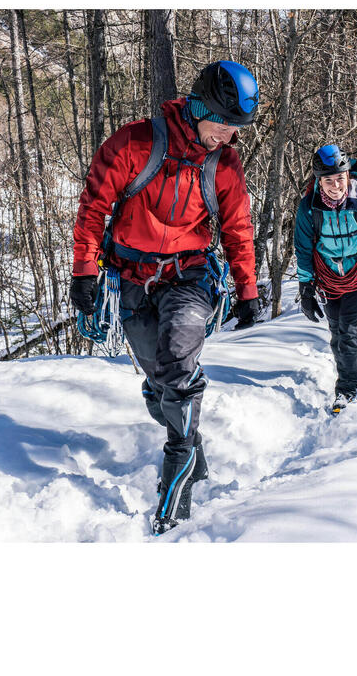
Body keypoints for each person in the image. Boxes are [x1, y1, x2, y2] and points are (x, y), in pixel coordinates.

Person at [70, 60, 261, 534]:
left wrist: (247, 290)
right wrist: (85, 271)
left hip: (190, 276)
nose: (227, 137)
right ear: (200, 107)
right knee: (161, 385)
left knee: (178, 360)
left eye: (237, 129)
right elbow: (94, 207)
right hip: (129, 278)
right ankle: (192, 446)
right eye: (223, 124)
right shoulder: (134, 142)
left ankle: (176, 478)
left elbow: (238, 229)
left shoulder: (225, 164)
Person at [293, 144, 357, 415]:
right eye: (328, 180)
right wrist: (305, 289)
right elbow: (303, 248)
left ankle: (347, 387)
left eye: (340, 178)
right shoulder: (309, 209)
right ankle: (347, 376)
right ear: (319, 180)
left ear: (348, 176)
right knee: (336, 331)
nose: (335, 185)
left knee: (348, 332)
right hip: (327, 280)